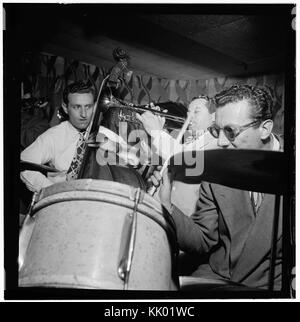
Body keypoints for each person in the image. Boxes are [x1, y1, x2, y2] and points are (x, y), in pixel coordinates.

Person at [150, 84, 283, 290]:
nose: (221, 142)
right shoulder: (217, 165)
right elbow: (203, 239)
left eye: (231, 131)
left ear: (265, 128)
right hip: (217, 277)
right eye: (217, 130)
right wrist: (166, 205)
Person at [136, 96, 218, 216]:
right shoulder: (189, 142)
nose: (189, 117)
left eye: (196, 111)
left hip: (181, 219)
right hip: (157, 210)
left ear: (213, 116)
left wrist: (157, 133)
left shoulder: (216, 143)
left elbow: (187, 160)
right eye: (188, 112)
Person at [20, 81, 96, 192]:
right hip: (61, 203)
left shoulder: (103, 133)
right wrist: (52, 191)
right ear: (65, 108)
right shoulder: (54, 136)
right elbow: (24, 163)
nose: (84, 114)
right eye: (77, 107)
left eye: (88, 107)